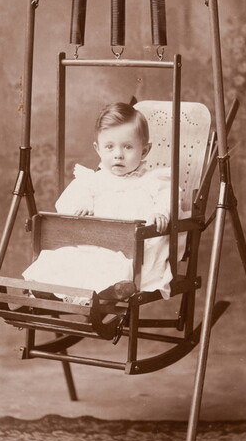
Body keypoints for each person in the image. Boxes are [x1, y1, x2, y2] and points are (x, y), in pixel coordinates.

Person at [22, 102, 180, 301]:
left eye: (128, 147)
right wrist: (82, 205)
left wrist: (161, 212)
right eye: (109, 147)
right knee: (65, 256)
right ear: (98, 149)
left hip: (132, 253)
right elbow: (68, 203)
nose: (118, 154)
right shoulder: (92, 181)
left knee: (117, 264)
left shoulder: (152, 181)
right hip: (91, 247)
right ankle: (47, 286)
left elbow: (169, 197)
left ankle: (110, 290)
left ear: (144, 151)